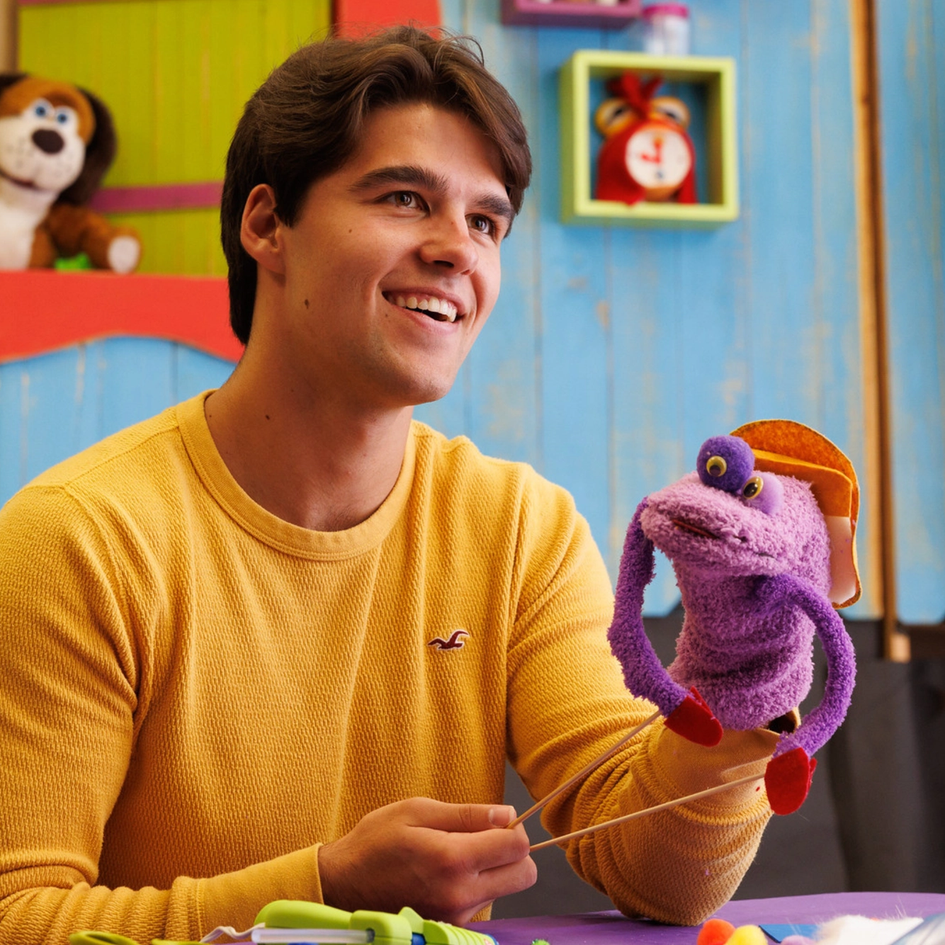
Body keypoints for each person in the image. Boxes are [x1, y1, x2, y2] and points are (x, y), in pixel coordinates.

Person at [0, 26, 783, 945]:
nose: (458, 250)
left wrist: (739, 673)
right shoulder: (77, 538)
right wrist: (323, 887)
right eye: (405, 199)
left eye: (485, 222)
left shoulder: (518, 527)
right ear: (266, 225)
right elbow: (18, 916)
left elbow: (655, 873)